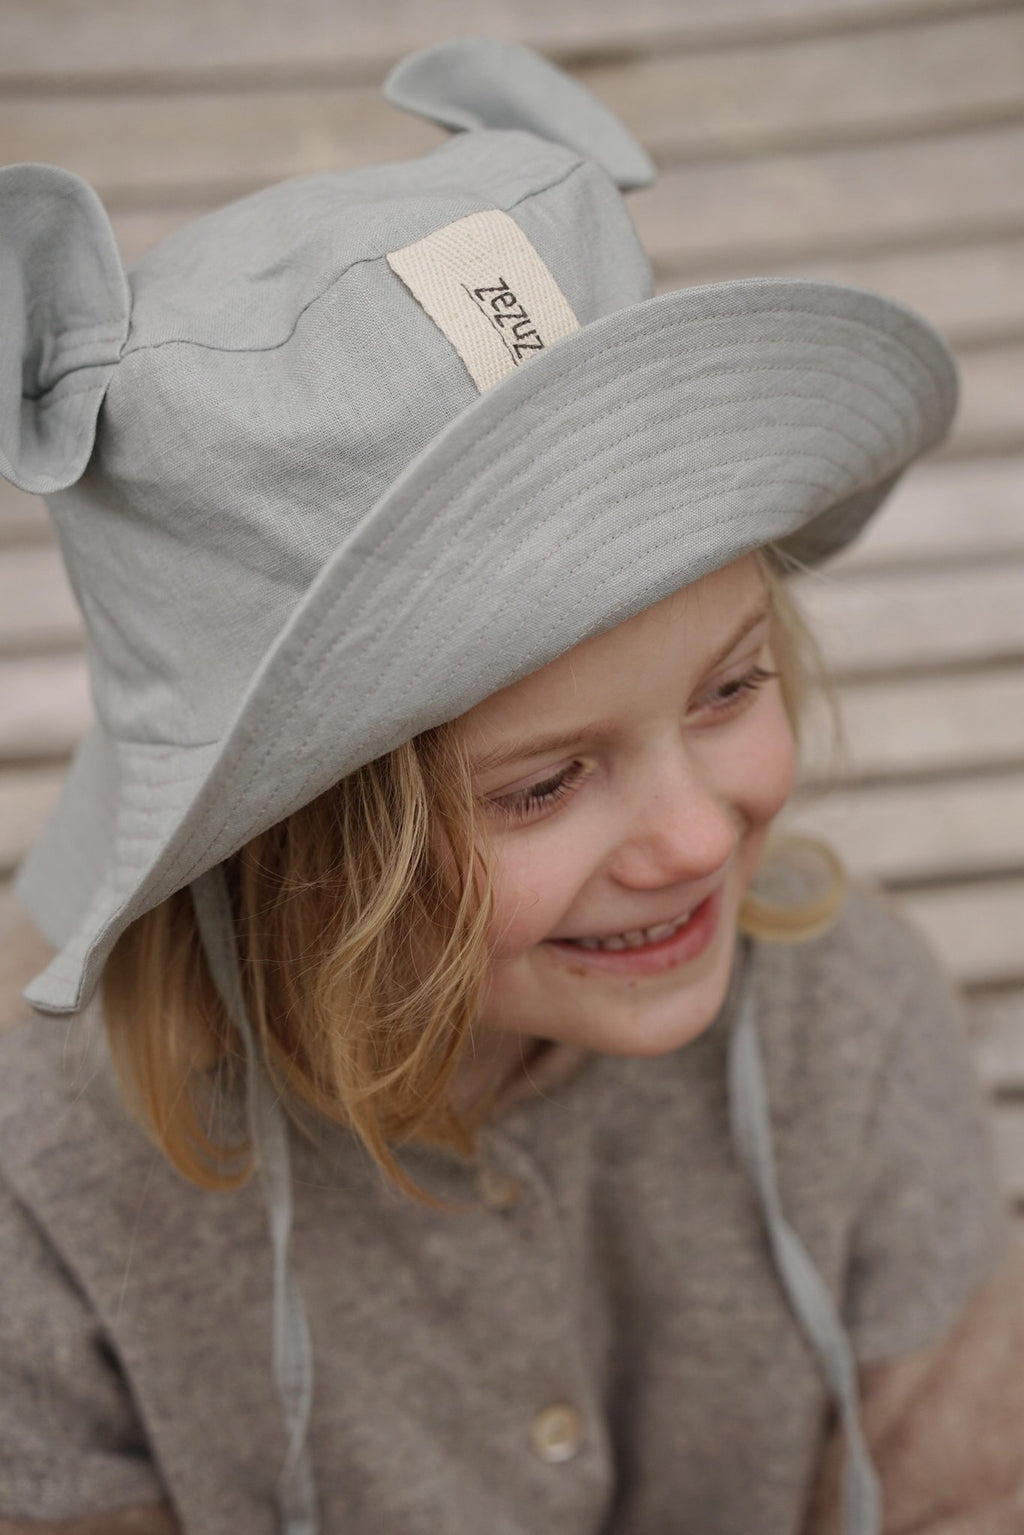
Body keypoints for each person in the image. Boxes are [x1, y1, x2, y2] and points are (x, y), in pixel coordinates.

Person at [0, 35, 1021, 1535]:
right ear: (282, 845)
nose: (693, 837)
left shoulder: (843, 1022)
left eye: (731, 688)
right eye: (542, 787)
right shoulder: (54, 1171)